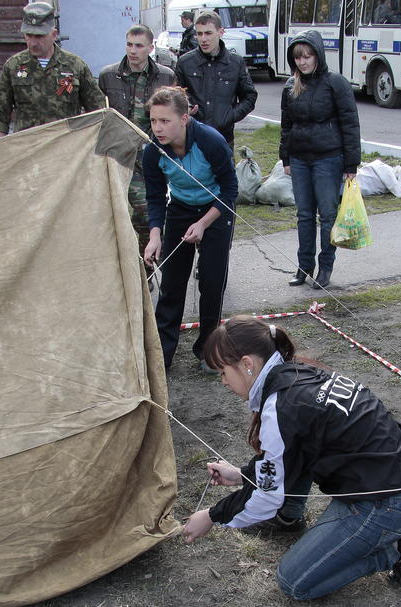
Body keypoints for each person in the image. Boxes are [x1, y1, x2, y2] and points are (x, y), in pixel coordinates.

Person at [182, 316, 401, 600]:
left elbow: (267, 496)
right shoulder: (297, 373)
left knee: (294, 581)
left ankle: (398, 549)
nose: (224, 381)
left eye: (224, 372)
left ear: (247, 363)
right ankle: (288, 517)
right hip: (392, 478)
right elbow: (286, 457)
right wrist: (242, 475)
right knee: (300, 453)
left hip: (384, 501)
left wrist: (212, 516)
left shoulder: (281, 406)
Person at [142, 87, 237, 372]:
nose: (158, 128)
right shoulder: (153, 151)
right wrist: (155, 236)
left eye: (165, 121)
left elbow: (230, 190)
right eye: (153, 120)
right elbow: (155, 197)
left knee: (211, 282)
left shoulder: (211, 141)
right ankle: (163, 355)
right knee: (171, 283)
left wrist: (204, 223)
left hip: (216, 209)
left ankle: (208, 350)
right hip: (181, 209)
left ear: (184, 118)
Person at [279, 30, 361, 290]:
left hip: (329, 158)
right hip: (299, 157)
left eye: (307, 56)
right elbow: (286, 125)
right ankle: (304, 266)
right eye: (298, 57)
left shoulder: (335, 82)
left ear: (317, 56)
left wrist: (351, 164)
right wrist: (285, 157)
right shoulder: (290, 86)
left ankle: (325, 266)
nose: (302, 62)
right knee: (304, 215)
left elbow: (350, 123)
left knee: (327, 215)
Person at [98, 25, 175, 290]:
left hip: (150, 155)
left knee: (145, 212)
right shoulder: (109, 76)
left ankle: (146, 268)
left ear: (150, 48)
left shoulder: (165, 76)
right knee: (113, 216)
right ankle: (120, 271)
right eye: (129, 44)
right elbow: (98, 114)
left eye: (139, 46)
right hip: (117, 155)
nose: (133, 50)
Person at [0, 2, 105, 138]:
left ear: (54, 34)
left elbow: (98, 110)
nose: (33, 43)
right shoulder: (14, 66)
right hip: (27, 146)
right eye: (29, 35)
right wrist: (0, 148)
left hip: (66, 145)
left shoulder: (74, 66)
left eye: (39, 36)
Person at [175, 11, 257, 149]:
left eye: (208, 33)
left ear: (220, 32)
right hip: (192, 138)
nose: (203, 39)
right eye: (199, 34)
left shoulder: (235, 63)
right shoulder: (185, 62)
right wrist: (186, 107)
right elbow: (175, 95)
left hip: (224, 138)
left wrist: (229, 116)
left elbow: (250, 96)